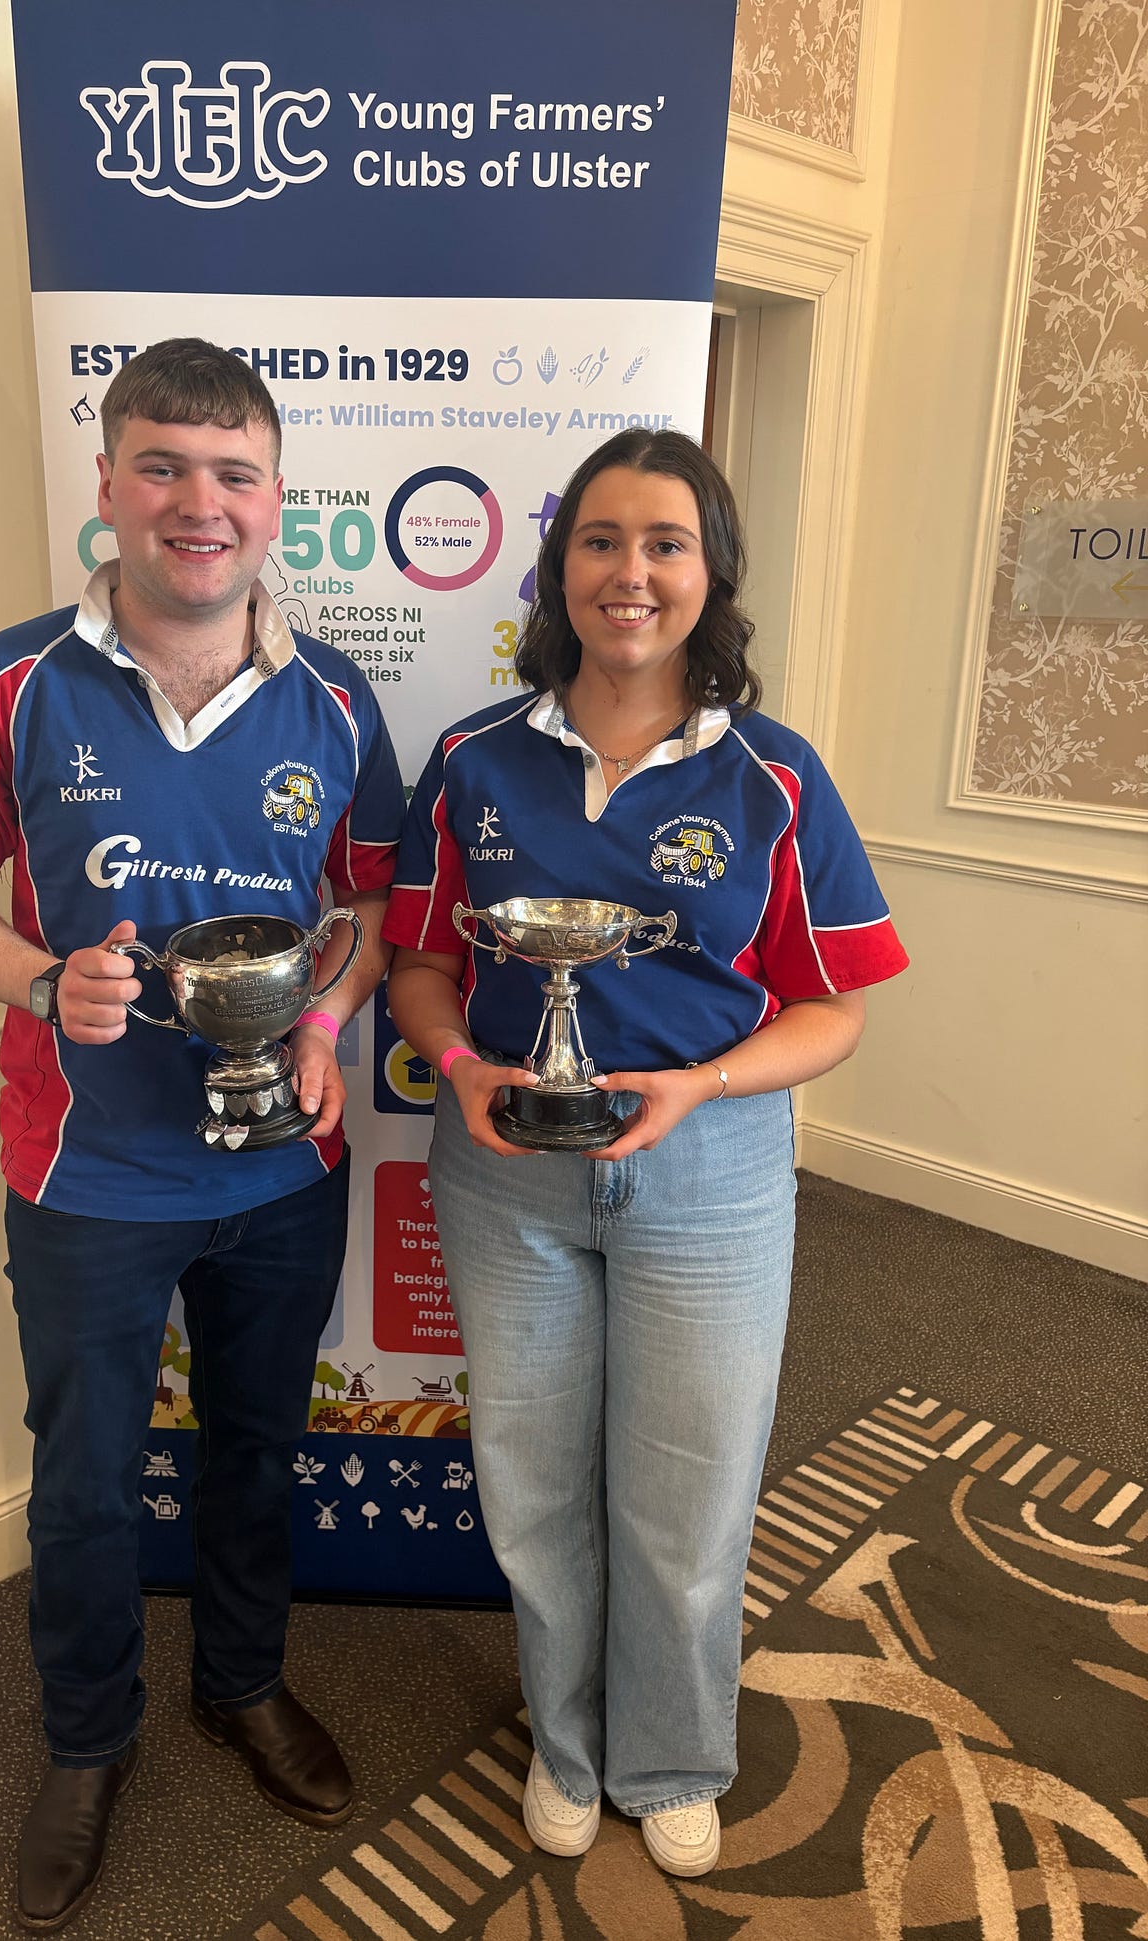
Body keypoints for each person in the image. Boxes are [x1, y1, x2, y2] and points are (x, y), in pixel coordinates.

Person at [0, 338, 403, 1931]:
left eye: (234, 472)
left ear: (277, 499)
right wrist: (46, 981)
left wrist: (322, 1017)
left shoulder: (335, 699)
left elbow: (367, 905)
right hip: (85, 1170)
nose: (200, 502)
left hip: (283, 1165)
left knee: (258, 1447)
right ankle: (86, 1735)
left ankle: (240, 1682)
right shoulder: (14, 683)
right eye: (164, 466)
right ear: (108, 483)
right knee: (89, 1481)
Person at [383, 428, 907, 1879]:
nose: (631, 572)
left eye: (666, 543)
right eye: (601, 541)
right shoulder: (473, 759)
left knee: (689, 1491)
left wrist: (703, 1084)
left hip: (709, 1170)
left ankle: (671, 1755)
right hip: (507, 1169)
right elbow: (420, 964)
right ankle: (566, 1742)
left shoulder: (773, 775)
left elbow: (836, 1009)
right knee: (534, 1478)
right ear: (560, 570)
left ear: (711, 572)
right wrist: (469, 1066)